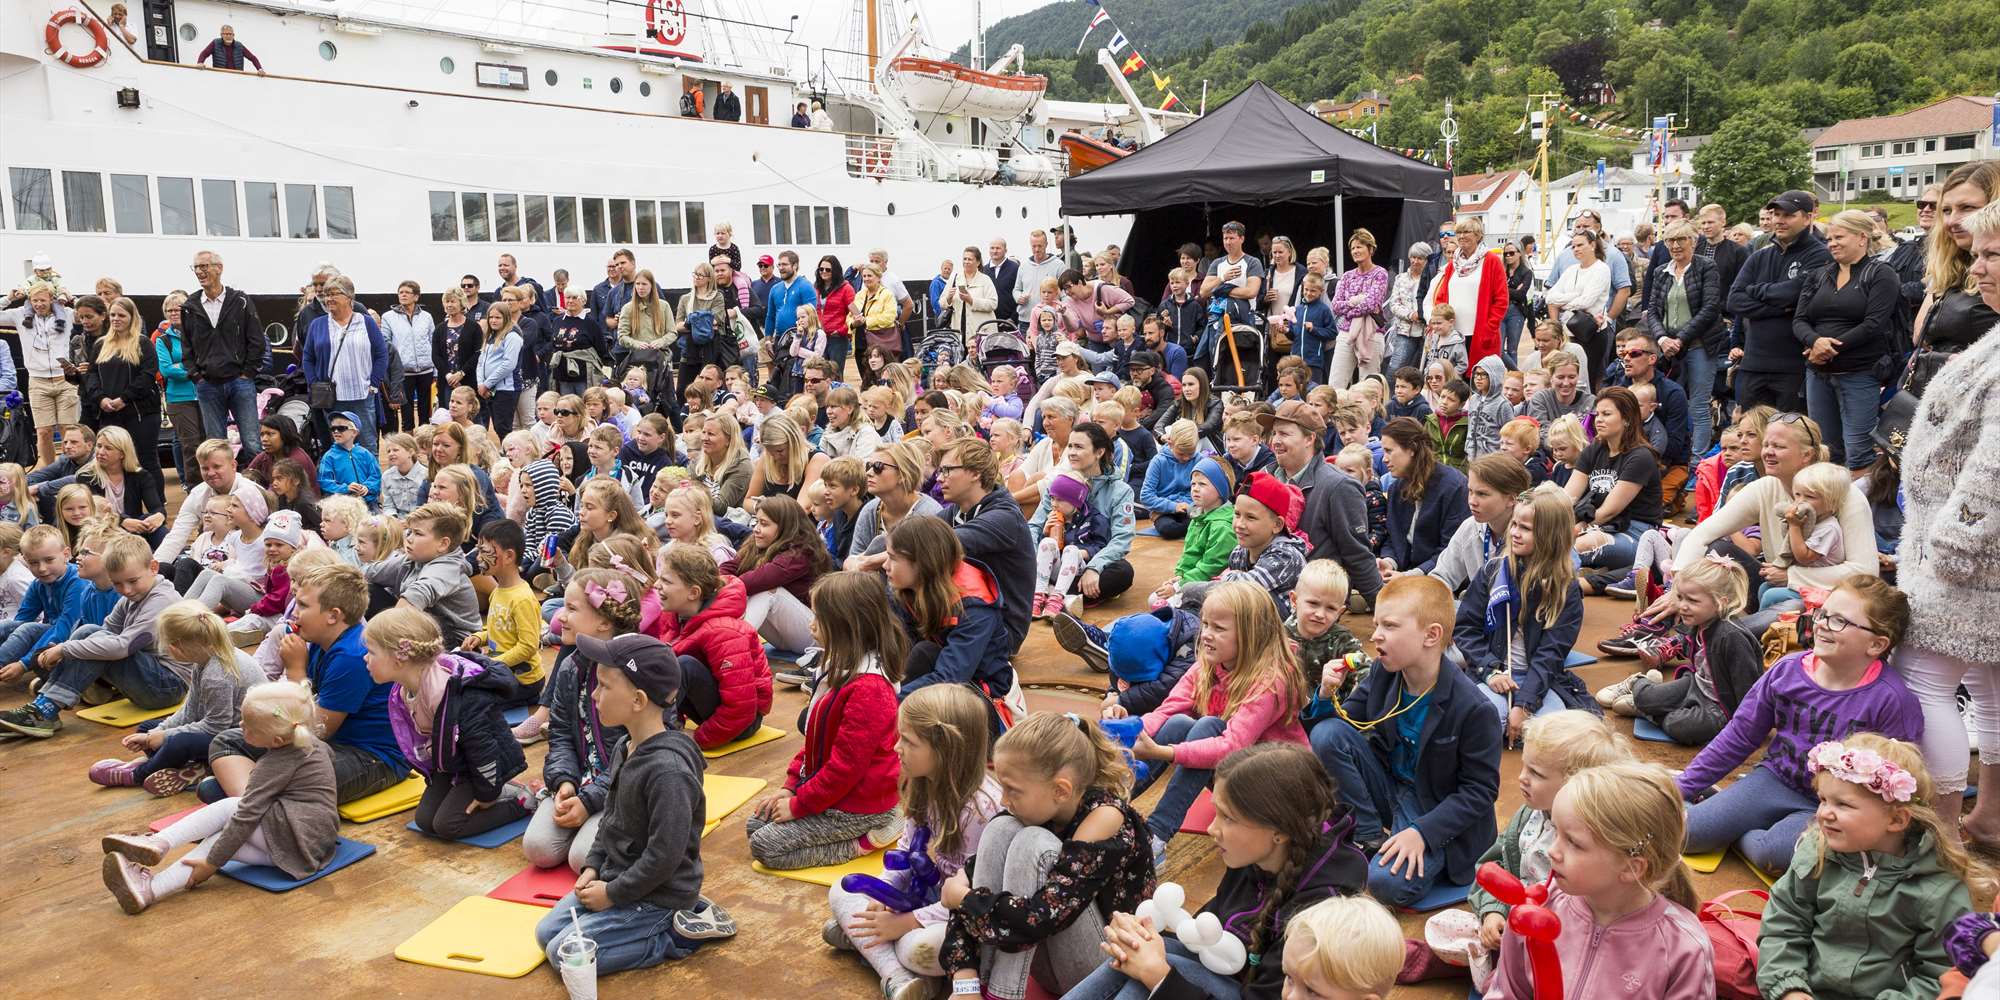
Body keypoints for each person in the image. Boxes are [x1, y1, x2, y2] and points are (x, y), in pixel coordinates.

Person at [1067, 743, 1368, 1000]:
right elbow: (1204, 936)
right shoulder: (1256, 854)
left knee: (1153, 971)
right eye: (1216, 812)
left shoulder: (1323, 905)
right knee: (1136, 955)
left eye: (1228, 818)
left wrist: (1158, 975)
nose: (1212, 828)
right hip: (1229, 978)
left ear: (1278, 830)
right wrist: (1143, 932)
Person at [1678, 575, 1922, 874]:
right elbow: (1740, 735)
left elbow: (1899, 776)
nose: (1822, 625)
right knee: (1687, 835)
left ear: (1876, 644)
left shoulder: (1892, 699)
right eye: (1823, 614)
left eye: (1839, 621)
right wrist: (1684, 786)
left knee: (1775, 856)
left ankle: (1738, 827)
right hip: (1774, 780)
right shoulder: (1787, 671)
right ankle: (1720, 808)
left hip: (1830, 805)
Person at [1891, 196, 2000, 842]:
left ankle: (1941, 834)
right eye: (1977, 254)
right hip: (1974, 555)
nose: (1976, 267)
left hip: (1967, 557)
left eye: (1992, 255)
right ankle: (1989, 816)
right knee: (1989, 682)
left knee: (1925, 682)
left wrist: (1952, 545)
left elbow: (1994, 466)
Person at [534, 632, 738, 975]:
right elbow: (610, 821)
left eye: (603, 686)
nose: (594, 695)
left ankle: (675, 935)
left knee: (565, 956)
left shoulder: (669, 773)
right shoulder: (625, 747)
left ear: (638, 700)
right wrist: (592, 867)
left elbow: (665, 856)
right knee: (546, 934)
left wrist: (612, 894)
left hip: (658, 896)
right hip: (621, 879)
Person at [1307, 576, 1502, 907]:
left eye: (1390, 626)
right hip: (1392, 789)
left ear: (1431, 635)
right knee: (1327, 734)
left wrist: (1422, 833)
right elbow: (1341, 728)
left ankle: (1424, 852)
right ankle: (1369, 836)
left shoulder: (1473, 708)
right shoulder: (1385, 674)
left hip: (1435, 809)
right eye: (1376, 625)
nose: (1376, 635)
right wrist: (1326, 695)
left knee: (1386, 884)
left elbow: (1480, 791)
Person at [938, 712, 1152, 999]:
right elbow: (969, 888)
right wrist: (964, 979)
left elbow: (1039, 917)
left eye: (1012, 790)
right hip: (1049, 959)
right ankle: (979, 989)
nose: (1003, 799)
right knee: (1001, 828)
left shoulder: (1105, 818)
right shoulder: (1039, 807)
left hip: (1108, 969)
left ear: (1060, 790)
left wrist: (964, 899)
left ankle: (1002, 995)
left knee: (1032, 841)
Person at [1756, 734, 1972, 1000]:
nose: (1824, 813)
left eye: (1843, 804)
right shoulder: (1818, 852)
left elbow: (1942, 976)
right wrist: (1789, 987)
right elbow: (1783, 922)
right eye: (1823, 799)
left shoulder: (1939, 890)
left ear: (1896, 820)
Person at [820, 685, 1002, 1000]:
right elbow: (905, 852)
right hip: (923, 897)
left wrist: (905, 923)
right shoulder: (923, 783)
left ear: (946, 750)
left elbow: (976, 903)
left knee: (918, 948)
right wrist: (883, 895)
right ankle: (901, 977)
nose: (896, 747)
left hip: (961, 920)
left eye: (908, 741)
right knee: (842, 890)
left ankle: (878, 952)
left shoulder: (981, 812)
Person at [101, 679, 335, 915]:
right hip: (310, 846)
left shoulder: (274, 765)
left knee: (232, 808)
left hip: (292, 837)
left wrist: (212, 864)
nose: (241, 725)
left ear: (277, 741)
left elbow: (246, 816)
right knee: (216, 843)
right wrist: (212, 860)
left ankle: (159, 842)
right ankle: (150, 889)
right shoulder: (314, 746)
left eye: (249, 727)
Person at [1484, 763, 1713, 1000]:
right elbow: (1507, 990)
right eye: (1555, 831)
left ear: (1632, 867)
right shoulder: (1536, 909)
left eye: (1574, 843)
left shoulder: (1684, 949)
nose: (1552, 851)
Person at [1433, 712, 1629, 989]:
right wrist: (1493, 912)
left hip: (1556, 939)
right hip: (1513, 922)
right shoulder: (1529, 815)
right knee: (1446, 925)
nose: (1521, 777)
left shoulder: (1589, 844)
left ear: (1576, 784)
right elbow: (1497, 866)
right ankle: (1481, 964)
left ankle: (1475, 969)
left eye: (1536, 773)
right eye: (1524, 766)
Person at [207, 564, 408, 803]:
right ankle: (252, 799)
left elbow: (318, 730)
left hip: (370, 756)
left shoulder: (352, 656)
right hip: (326, 745)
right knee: (228, 741)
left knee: (281, 776)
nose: (294, 612)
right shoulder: (318, 642)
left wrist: (295, 671)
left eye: (303, 605)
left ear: (333, 615)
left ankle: (249, 800)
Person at [748, 571, 906, 869]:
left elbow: (845, 768)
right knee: (756, 824)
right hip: (832, 793)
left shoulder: (870, 689)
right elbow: (815, 740)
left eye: (819, 618)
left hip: (859, 805)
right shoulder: (840, 666)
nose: (811, 624)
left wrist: (799, 805)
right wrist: (791, 786)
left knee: (765, 847)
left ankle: (869, 838)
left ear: (845, 626)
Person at [365, 608, 531, 840]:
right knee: (425, 821)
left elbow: (483, 749)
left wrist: (487, 793)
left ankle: (521, 800)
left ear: (398, 657)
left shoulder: (454, 693)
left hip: (486, 765)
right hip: (456, 763)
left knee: (448, 825)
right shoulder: (403, 690)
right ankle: (495, 790)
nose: (365, 658)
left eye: (371, 652)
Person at [1457, 488, 1593, 744]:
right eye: (1514, 524)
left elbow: (1551, 654)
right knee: (1484, 723)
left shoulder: (1566, 588)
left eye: (1526, 528)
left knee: (1555, 736)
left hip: (1539, 680)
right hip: (1494, 672)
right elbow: (1466, 628)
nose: (1515, 533)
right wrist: (1491, 671)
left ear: (1549, 535)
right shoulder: (1494, 572)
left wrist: (1524, 705)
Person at [88, 597, 260, 795]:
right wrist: (156, 732)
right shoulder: (204, 659)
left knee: (177, 742)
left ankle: (138, 774)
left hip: (242, 741)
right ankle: (195, 767)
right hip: (222, 731)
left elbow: (217, 727)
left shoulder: (217, 674)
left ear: (175, 647)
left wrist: (165, 737)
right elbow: (189, 709)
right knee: (147, 727)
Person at [1597, 555, 1762, 746]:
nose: (1682, 606)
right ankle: (1637, 684)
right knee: (1645, 697)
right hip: (1696, 685)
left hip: (1721, 705)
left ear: (1721, 603)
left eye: (1692, 600)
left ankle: (1651, 711)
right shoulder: (1699, 623)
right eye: (1680, 598)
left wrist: (1748, 727)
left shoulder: (1732, 637)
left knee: (1682, 728)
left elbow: (1749, 690)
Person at [1797, 209, 1901, 470]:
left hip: (1859, 372)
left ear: (1862, 238)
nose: (1832, 244)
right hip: (1818, 373)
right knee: (1825, 449)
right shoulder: (1819, 275)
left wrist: (1828, 347)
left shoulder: (1880, 273)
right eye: (1829, 239)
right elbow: (1800, 319)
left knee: (1858, 451)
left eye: (1839, 237)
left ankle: (1860, 496)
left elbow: (1874, 323)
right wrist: (1815, 342)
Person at [1262, 401, 1382, 605]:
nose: (1275, 441)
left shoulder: (1339, 487)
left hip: (1311, 603)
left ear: (1309, 439)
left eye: (1284, 434)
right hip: (1263, 587)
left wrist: (1383, 607)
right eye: (1274, 433)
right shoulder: (1266, 477)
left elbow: (1357, 556)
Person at [1729, 190, 1833, 412]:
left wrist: (1756, 290)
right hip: (1754, 363)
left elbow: (1795, 294)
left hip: (1793, 366)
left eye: (1788, 215)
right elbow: (1735, 301)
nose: (1779, 220)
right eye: (1776, 214)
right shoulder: (1759, 256)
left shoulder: (1820, 255)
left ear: (1808, 217)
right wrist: (1782, 307)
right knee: (1751, 429)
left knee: (1789, 430)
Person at [1905, 162, 1999, 399]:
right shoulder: (1951, 268)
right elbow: (1919, 334)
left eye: (1967, 208)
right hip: (1938, 395)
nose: (1952, 221)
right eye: (1946, 210)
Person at [1027, 422, 1137, 605]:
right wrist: (1032, 561)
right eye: (1070, 446)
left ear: (1099, 452)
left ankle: (1048, 592)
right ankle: (1063, 597)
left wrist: (1094, 567)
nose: (1071, 452)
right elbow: (1034, 526)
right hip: (1051, 560)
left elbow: (1122, 539)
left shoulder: (1120, 491)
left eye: (1078, 447)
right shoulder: (1058, 484)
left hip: (1087, 561)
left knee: (1123, 573)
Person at [1643, 221, 1724, 457]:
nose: (1675, 245)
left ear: (1693, 242)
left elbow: (1710, 308)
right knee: (1667, 401)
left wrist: (1679, 339)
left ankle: (1697, 460)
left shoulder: (1706, 267)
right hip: (1668, 348)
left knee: (1698, 404)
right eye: (1670, 240)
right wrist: (1661, 339)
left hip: (1700, 345)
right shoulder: (1661, 271)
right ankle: (1672, 454)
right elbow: (1653, 310)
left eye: (1681, 239)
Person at [181, 251, 267, 461]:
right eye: (196, 267)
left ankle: (258, 482)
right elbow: (187, 346)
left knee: (252, 443)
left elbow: (256, 340)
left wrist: (248, 373)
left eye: (204, 266)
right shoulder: (189, 306)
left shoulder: (241, 301)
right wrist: (197, 376)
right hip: (207, 385)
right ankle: (222, 483)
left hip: (240, 383)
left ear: (219, 268)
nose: (199, 271)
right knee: (216, 447)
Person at [1565, 387, 1661, 573]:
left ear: (1626, 419)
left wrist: (1575, 530)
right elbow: (1568, 497)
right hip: (1599, 526)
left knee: (1578, 546)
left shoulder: (1641, 457)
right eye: (1597, 414)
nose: (1598, 419)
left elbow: (1609, 511)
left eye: (1606, 414)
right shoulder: (1594, 450)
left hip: (1635, 533)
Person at [300, 276, 387, 451]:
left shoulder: (366, 322)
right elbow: (308, 358)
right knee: (338, 446)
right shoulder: (317, 325)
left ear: (349, 297)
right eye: (327, 295)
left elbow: (381, 354)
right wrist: (314, 383)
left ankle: (367, 471)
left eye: (334, 294)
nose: (329, 299)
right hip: (332, 399)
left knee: (367, 445)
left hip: (362, 396)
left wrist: (373, 384)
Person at [1376, 416, 1468, 576]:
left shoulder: (1454, 487)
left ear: (1412, 448)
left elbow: (1452, 550)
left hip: (1441, 579)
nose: (1384, 459)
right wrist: (1389, 562)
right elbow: (1392, 537)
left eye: (1389, 451)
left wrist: (1411, 576)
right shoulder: (1396, 488)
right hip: (1403, 575)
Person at [1428, 216, 1508, 374]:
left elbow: (1501, 300)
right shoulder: (1453, 264)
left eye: (1466, 232)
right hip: (1453, 334)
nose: (1462, 236)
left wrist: (1490, 328)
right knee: (1452, 378)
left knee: (1478, 377)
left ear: (1478, 235)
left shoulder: (1491, 261)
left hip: (1480, 334)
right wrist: (1439, 321)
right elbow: (1441, 296)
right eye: (1459, 233)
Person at [1544, 231, 1613, 387]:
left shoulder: (1601, 269)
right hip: (1568, 332)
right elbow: (1550, 297)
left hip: (1591, 332)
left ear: (1593, 245)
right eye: (1573, 246)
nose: (1576, 249)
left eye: (1580, 245)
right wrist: (1575, 296)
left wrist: (1562, 303)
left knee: (1587, 379)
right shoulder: (1571, 270)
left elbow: (1586, 301)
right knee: (1566, 378)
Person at [195, 24, 264, 73]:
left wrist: (260, 69)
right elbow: (204, 53)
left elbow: (252, 58)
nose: (228, 36)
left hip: (237, 76)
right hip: (220, 75)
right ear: (221, 35)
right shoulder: (215, 43)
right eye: (226, 34)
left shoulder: (239, 46)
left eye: (230, 34)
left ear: (233, 35)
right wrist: (200, 63)